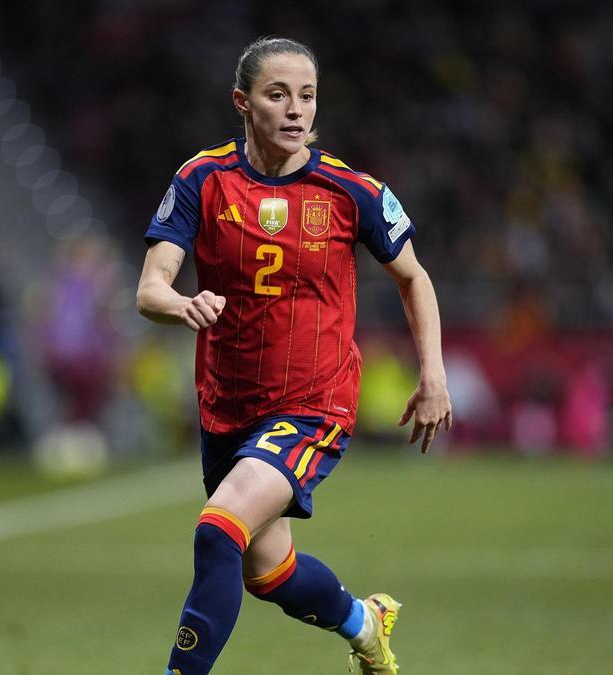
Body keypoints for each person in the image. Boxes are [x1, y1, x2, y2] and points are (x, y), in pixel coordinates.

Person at [136, 37, 453, 674]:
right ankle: (367, 624)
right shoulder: (202, 179)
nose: (295, 110)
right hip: (228, 406)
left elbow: (413, 277)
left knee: (216, 529)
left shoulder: (349, 190)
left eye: (306, 96)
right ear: (242, 102)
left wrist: (434, 376)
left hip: (313, 401)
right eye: (277, 94)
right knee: (266, 570)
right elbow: (149, 288)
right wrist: (183, 305)